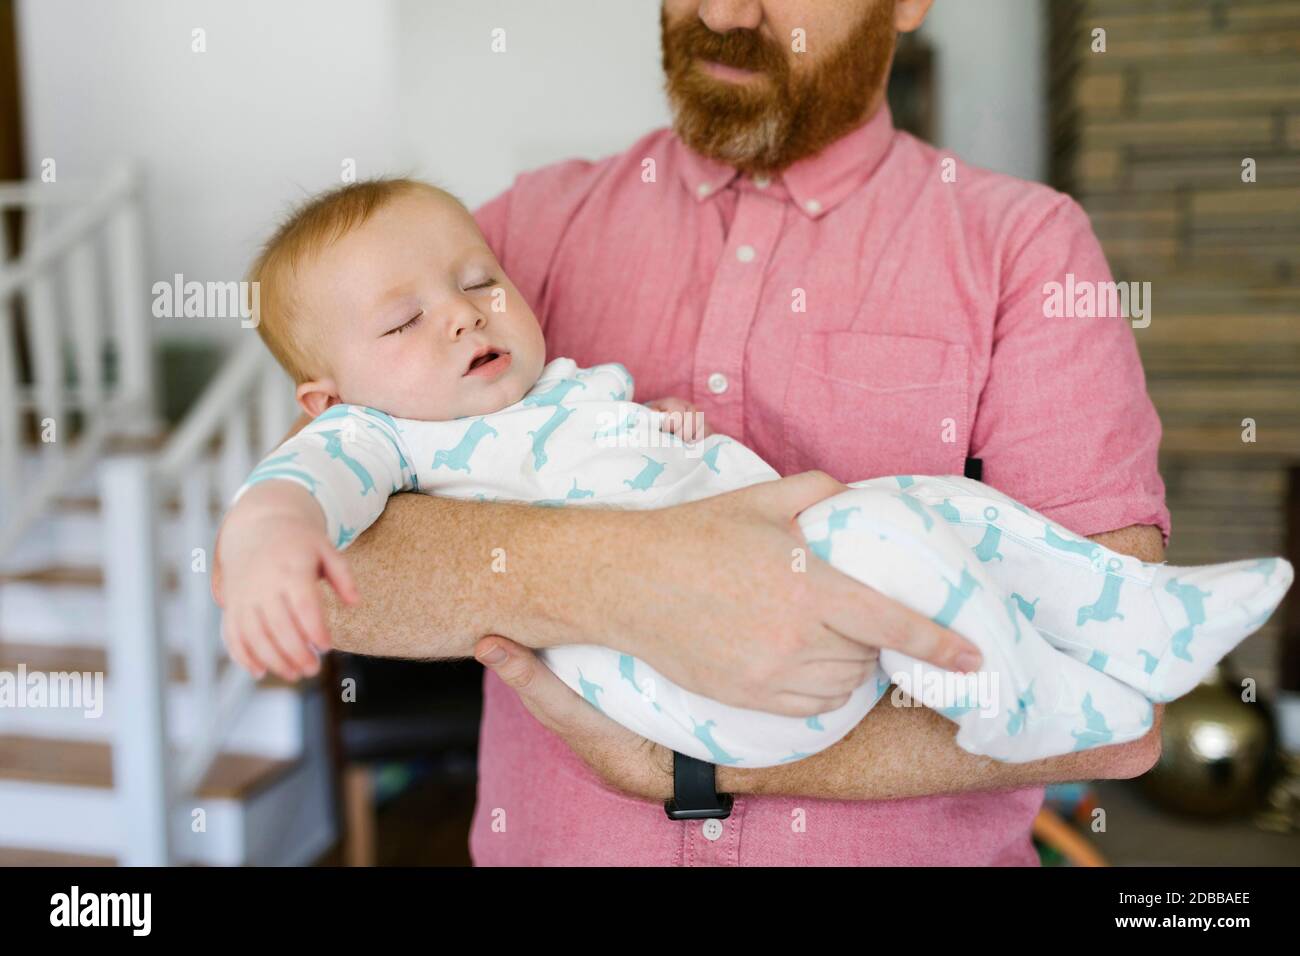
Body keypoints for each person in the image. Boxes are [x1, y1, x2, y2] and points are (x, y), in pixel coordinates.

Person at [214, 0, 1170, 865]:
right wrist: (631, 576)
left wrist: (688, 766)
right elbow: (317, 572)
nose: (721, 11)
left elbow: (1117, 703)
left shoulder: (1025, 248)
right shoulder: (506, 238)